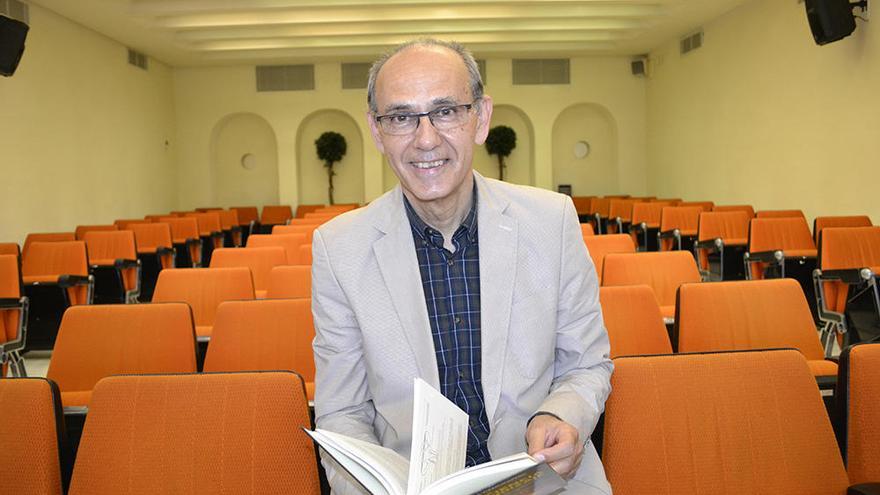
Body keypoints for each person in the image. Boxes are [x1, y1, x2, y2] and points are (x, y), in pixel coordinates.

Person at [312, 38, 613, 495]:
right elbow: (342, 413)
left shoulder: (552, 221)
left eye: (447, 110)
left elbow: (586, 364)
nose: (426, 139)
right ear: (377, 132)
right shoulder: (339, 248)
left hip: (547, 483)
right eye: (400, 117)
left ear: (481, 118)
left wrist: (561, 414)